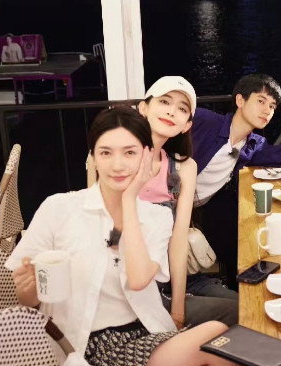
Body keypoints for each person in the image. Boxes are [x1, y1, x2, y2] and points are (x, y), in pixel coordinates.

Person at [9, 106, 237, 366]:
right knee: (215, 331)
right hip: (88, 351)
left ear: (146, 155)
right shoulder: (60, 208)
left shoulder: (156, 217)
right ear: (93, 157)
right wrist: (28, 290)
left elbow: (139, 278)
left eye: (129, 152)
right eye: (106, 152)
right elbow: (27, 299)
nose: (117, 165)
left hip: (144, 337)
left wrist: (130, 201)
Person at [87, 77, 238, 329]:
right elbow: (98, 231)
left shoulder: (184, 167)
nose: (171, 111)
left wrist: (178, 308)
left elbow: (178, 240)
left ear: (186, 125)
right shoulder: (109, 161)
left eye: (182, 108)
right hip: (126, 285)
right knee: (238, 314)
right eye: (165, 102)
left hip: (174, 279)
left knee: (246, 305)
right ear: (143, 107)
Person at [190, 74, 281, 285]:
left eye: (272, 106)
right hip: (164, 202)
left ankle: (238, 284)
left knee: (245, 230)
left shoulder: (253, 145)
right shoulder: (205, 121)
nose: (267, 111)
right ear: (240, 100)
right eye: (261, 101)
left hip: (198, 208)